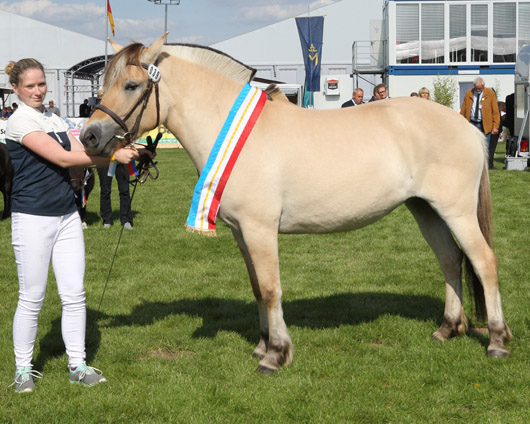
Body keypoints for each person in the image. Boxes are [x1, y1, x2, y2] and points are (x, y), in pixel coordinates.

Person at [4, 58, 149, 393]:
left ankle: (78, 365)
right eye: (30, 86)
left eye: (41, 84)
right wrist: (114, 158)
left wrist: (123, 149)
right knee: (32, 297)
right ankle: (23, 370)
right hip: (32, 219)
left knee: (74, 294)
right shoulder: (19, 121)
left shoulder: (53, 116)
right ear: (15, 88)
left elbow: (80, 147)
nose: (38, 91)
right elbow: (63, 158)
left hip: (67, 216)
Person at [460, 77, 500, 149]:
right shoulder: (468, 93)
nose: (477, 90)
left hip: (485, 125)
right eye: (476, 88)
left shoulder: (490, 94)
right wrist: (461, 122)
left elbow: (495, 112)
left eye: (479, 88)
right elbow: (463, 110)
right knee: (471, 146)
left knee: (484, 148)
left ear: (483, 86)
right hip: (471, 123)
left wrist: (495, 126)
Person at [97, 163, 133, 230]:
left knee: (124, 190)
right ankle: (107, 220)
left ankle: (126, 220)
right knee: (105, 191)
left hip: (121, 157)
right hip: (105, 157)